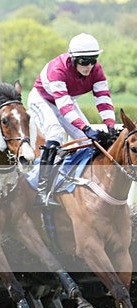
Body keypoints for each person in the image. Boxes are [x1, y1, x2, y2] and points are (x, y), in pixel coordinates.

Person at [28, 33, 116, 206]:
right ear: (73, 59)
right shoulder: (58, 69)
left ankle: (74, 182)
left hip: (66, 101)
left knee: (87, 142)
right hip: (42, 100)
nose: (89, 66)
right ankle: (42, 192)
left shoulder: (96, 70)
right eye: (84, 61)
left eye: (93, 60)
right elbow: (64, 106)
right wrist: (86, 128)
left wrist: (111, 126)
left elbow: (103, 98)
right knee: (56, 134)